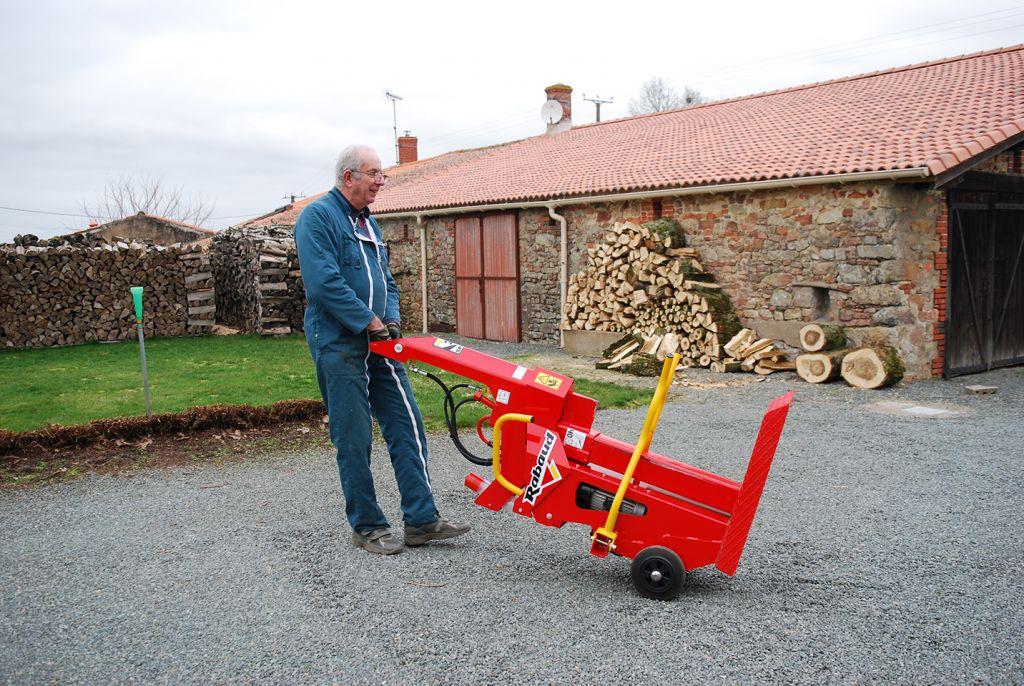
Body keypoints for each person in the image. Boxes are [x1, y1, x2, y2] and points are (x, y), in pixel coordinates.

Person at [294, 144, 470, 555]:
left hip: (380, 342)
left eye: (382, 174)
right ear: (348, 176)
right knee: (353, 436)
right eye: (374, 173)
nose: (381, 181)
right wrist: (368, 322)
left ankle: (421, 519)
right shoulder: (318, 219)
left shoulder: (368, 223)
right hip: (339, 343)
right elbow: (324, 283)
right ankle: (367, 524)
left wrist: (388, 320)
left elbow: (386, 282)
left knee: (406, 424)